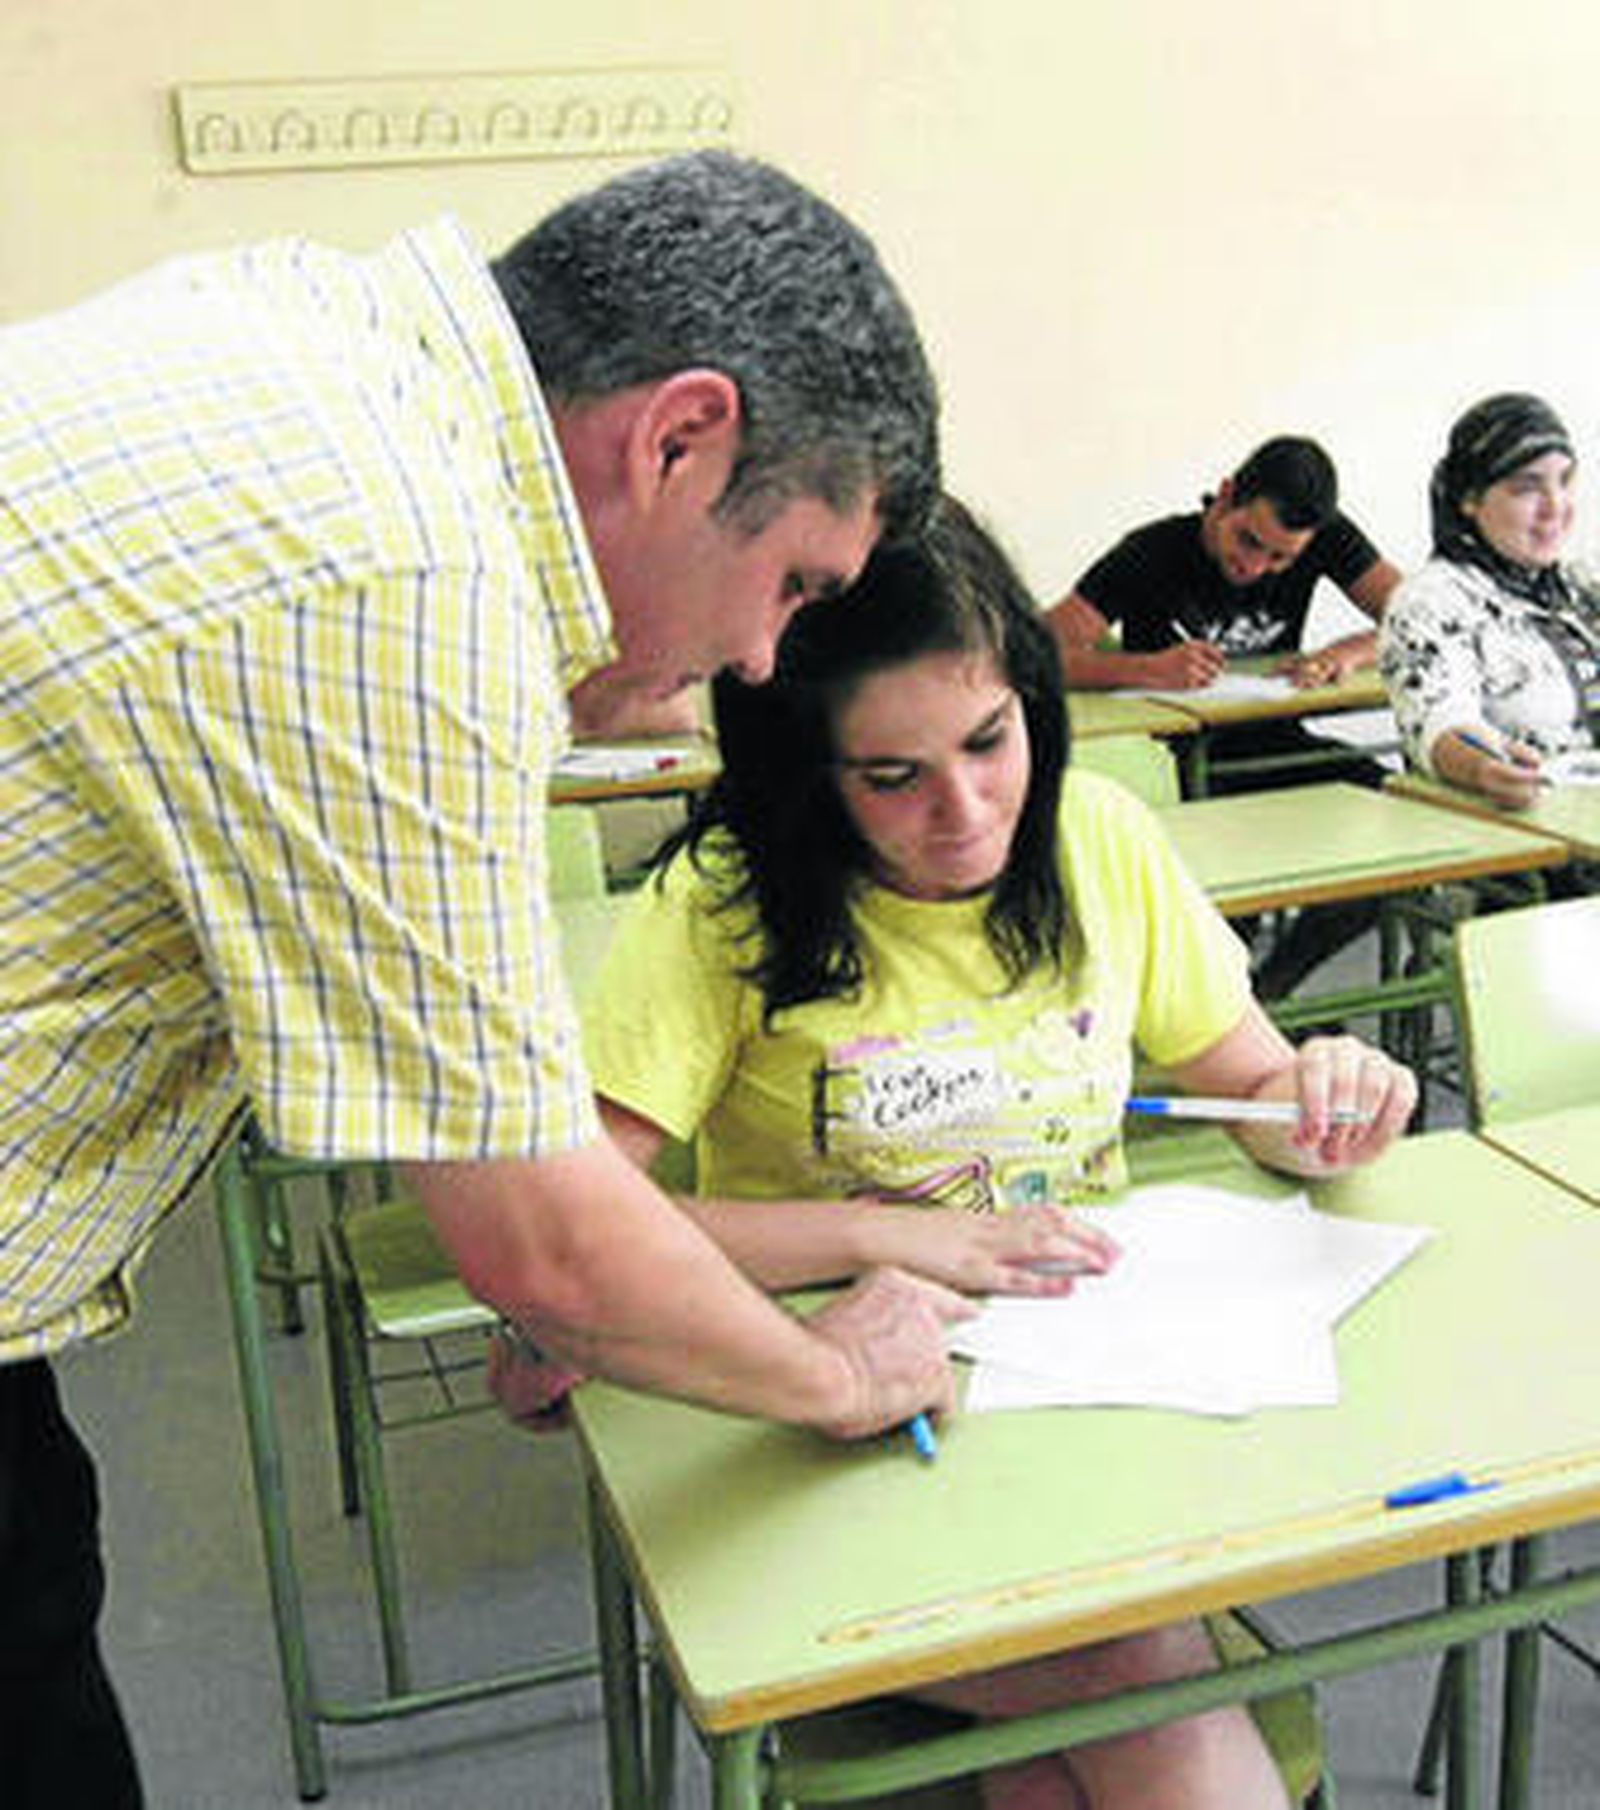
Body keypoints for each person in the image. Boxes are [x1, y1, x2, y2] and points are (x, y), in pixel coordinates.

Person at [0, 150, 956, 1806]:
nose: (755, 662)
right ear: (677, 437)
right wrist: (837, 1372)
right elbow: (546, 1250)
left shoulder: (304, 328)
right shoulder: (406, 571)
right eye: (791, 585)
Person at [514, 496, 1417, 1809]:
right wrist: (884, 1232)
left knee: (1062, 1765)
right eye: (893, 776)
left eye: (991, 741)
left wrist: (1324, 1096)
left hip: (1084, 1403)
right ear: (807, 771)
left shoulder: (1095, 836)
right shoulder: (720, 905)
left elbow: (1255, 1085)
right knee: (1139, 1668)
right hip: (828, 1412)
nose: (966, 810)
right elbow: (577, 1224)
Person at [1045, 436, 1405, 1000]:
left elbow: (1420, 621)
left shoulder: (1329, 535)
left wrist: (1347, 654)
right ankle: (1243, 1008)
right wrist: (1143, 669)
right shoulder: (1150, 553)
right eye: (1248, 540)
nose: (1255, 567)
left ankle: (1272, 993)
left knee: (1392, 823)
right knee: (1230, 909)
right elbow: (1031, 652)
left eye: (1281, 559)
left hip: (1283, 742)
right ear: (1227, 496)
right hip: (1196, 765)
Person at [1379, 391, 1600, 810]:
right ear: (1469, 500)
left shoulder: (1581, 586)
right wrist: (1484, 769)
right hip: (1534, 841)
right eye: (1527, 488)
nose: (1556, 507)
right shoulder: (1431, 601)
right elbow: (1441, 724)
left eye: (1565, 481)